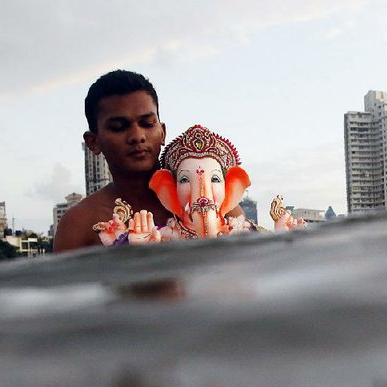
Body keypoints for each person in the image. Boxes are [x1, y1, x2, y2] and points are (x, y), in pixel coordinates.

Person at [53, 70, 245, 252]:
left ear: (162, 132)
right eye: (119, 127)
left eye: (147, 124)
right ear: (93, 142)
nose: (138, 136)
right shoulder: (80, 223)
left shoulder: (210, 198)